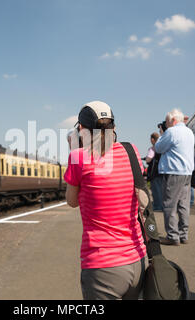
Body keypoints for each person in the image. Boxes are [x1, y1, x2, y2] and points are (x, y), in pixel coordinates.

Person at [64, 101, 147, 300]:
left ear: (81, 129)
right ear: (114, 127)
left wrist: (75, 148)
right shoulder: (131, 151)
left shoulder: (78, 157)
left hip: (102, 267)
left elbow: (71, 201)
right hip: (138, 259)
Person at [154, 109, 195, 245]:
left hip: (173, 171)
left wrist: (162, 133)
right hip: (187, 172)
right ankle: (183, 234)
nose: (166, 125)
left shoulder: (171, 132)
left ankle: (172, 236)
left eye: (166, 122)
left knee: (169, 205)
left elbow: (158, 148)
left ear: (173, 120)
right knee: (183, 205)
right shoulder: (189, 132)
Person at [145, 132, 163, 211]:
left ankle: (157, 206)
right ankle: (161, 205)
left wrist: (146, 159)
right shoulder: (161, 147)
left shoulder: (153, 148)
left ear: (152, 139)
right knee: (161, 189)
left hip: (154, 173)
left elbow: (148, 159)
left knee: (156, 190)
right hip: (161, 171)